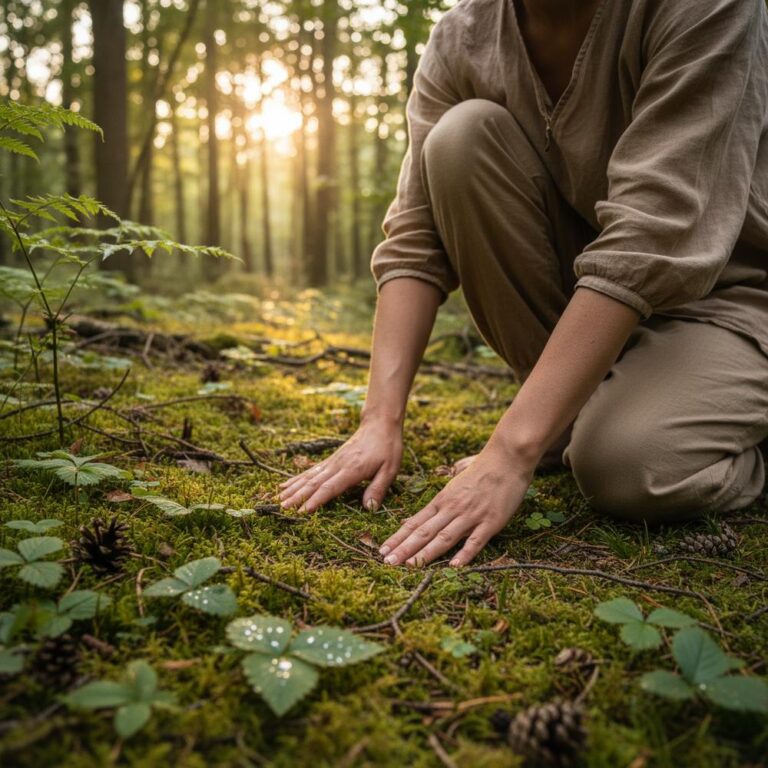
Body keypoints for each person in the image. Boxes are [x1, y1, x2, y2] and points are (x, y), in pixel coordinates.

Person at [279, 0, 768, 568]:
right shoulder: (463, 36)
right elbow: (416, 236)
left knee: (631, 468)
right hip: (591, 304)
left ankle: (670, 423)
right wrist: (378, 421)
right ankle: (562, 421)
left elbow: (650, 235)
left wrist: (510, 452)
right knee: (460, 137)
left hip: (734, 298)